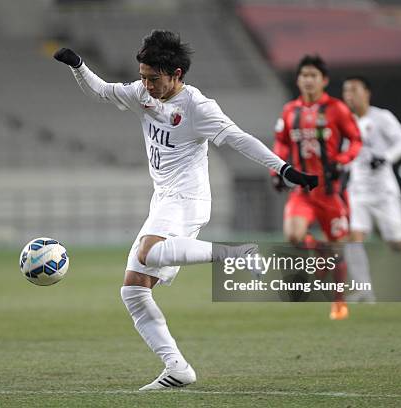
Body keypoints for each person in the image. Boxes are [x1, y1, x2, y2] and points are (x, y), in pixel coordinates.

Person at [54, 30, 318, 390]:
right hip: (163, 200)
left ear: (177, 73)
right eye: (143, 76)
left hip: (189, 200)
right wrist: (79, 66)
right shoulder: (142, 93)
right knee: (133, 290)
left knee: (148, 252)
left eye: (154, 78)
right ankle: (177, 368)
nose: (146, 85)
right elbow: (102, 90)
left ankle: (237, 254)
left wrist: (284, 168)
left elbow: (241, 139)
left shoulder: (198, 108)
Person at [272, 55, 362, 320]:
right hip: (303, 191)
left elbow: (356, 140)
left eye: (313, 76)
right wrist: (275, 170)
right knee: (293, 235)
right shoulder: (290, 111)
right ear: (298, 80)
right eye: (304, 75)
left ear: (324, 80)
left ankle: (339, 301)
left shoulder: (336, 109)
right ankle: (317, 249)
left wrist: (342, 161)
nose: (308, 80)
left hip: (330, 192)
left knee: (338, 250)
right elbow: (282, 144)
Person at [342, 75, 401, 302]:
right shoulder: (344, 122)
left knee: (397, 244)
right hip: (358, 191)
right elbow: (344, 154)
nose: (349, 95)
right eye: (346, 91)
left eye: (354, 90)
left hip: (383, 191)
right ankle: (364, 291)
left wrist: (385, 158)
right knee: (353, 237)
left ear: (367, 93)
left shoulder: (382, 117)